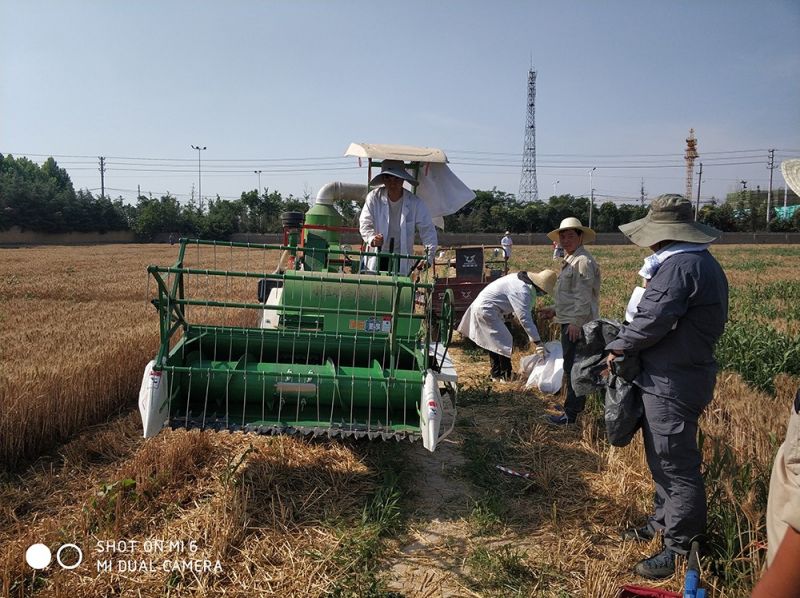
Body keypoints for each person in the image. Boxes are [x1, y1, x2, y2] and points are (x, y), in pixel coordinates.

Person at [603, 194, 728, 580]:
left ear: (663, 233)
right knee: (662, 458)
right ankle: (661, 523)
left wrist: (618, 346)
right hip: (673, 375)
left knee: (675, 464)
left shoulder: (681, 266)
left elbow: (652, 319)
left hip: (672, 381)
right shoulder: (695, 261)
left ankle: (680, 547)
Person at [539, 217, 600, 425]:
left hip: (578, 324)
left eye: (570, 236)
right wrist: (554, 310)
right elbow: (570, 297)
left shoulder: (582, 261)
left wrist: (576, 321)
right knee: (571, 366)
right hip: (571, 321)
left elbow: (583, 296)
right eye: (562, 236)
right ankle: (571, 406)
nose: (565, 240)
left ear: (580, 237)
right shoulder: (572, 259)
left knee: (575, 368)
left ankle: (571, 415)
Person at [457, 270, 557, 382]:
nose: (543, 294)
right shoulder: (522, 290)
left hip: (490, 309)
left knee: (495, 342)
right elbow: (524, 318)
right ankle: (506, 375)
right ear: (540, 287)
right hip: (487, 309)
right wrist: (537, 342)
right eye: (544, 292)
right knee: (503, 340)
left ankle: (497, 374)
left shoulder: (520, 281)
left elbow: (520, 310)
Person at [359, 159, 438, 274]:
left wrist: (429, 257)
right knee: (375, 283)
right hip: (377, 253)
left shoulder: (415, 203)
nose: (392, 183)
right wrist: (372, 239)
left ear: (403, 179)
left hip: (401, 256)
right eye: (388, 178)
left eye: (396, 178)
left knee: (399, 283)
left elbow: (428, 230)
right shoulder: (374, 197)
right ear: (383, 180)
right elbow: (365, 223)